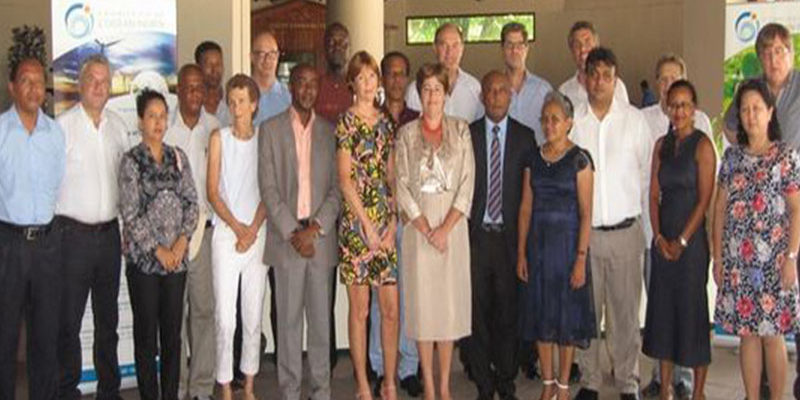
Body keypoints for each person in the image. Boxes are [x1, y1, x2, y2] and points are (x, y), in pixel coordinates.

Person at [570, 47, 652, 400]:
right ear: (585, 78)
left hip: (625, 234)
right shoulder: (574, 121)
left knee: (624, 316)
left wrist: (647, 232)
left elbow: (647, 178)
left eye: (607, 75)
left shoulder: (634, 121)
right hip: (585, 237)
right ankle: (589, 380)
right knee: (587, 314)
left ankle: (627, 381)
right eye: (594, 74)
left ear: (615, 79)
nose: (600, 82)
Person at [713, 78, 800, 400]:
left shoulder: (785, 157)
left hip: (774, 263)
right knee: (747, 334)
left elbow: (796, 210)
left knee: (772, 335)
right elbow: (719, 210)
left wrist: (791, 258)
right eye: (745, 109)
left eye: (757, 108)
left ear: (770, 112)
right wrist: (718, 258)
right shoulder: (732, 158)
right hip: (738, 262)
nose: (751, 115)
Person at [258, 63, 341, 400]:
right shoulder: (270, 130)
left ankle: (321, 392)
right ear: (290, 86)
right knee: (288, 325)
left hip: (319, 239)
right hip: (287, 241)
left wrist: (315, 229)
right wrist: (295, 232)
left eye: (312, 84)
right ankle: (290, 392)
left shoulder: (330, 132)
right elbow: (268, 189)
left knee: (321, 325)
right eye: (301, 83)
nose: (307, 89)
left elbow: (337, 189)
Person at [395, 63, 476, 400]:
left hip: (452, 231)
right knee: (423, 310)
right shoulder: (405, 134)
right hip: (419, 231)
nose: (431, 96)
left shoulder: (461, 130)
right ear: (418, 93)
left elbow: (467, 183)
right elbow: (400, 185)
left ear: (446, 93)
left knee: (447, 310)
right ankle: (428, 384)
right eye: (426, 89)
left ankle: (444, 386)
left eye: (437, 89)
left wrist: (445, 228)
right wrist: (426, 227)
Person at [639, 53, 715, 400]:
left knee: (693, 314)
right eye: (674, 105)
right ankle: (666, 388)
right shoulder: (661, 145)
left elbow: (704, 199)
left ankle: (697, 391)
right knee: (664, 315)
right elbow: (653, 194)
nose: (679, 111)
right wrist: (659, 237)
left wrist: (681, 241)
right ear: (667, 108)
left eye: (685, 105)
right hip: (663, 240)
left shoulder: (703, 145)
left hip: (691, 243)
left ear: (694, 108)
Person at [55, 54, 128, 400]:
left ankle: (109, 390)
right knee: (68, 321)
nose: (99, 87)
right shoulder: (62, 127)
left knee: (107, 322)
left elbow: (125, 183)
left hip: (109, 236)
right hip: (72, 238)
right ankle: (66, 390)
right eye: (93, 80)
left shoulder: (118, 127)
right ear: (80, 85)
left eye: (104, 81)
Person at [119, 89, 199, 400]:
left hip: (176, 262)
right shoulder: (131, 161)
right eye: (151, 116)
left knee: (172, 338)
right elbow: (131, 213)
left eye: (163, 116)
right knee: (146, 338)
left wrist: (180, 243)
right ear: (140, 121)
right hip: (145, 264)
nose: (158, 122)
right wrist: (159, 250)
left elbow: (192, 203)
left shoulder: (178, 157)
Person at [517, 91, 596, 400]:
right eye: (545, 119)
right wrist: (521, 252)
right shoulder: (533, 159)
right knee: (542, 316)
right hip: (538, 248)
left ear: (569, 123)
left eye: (555, 119)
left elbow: (586, 213)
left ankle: (563, 386)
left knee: (566, 319)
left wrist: (581, 258)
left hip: (567, 250)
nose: (549, 125)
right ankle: (547, 382)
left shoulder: (580, 160)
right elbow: (525, 208)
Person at [335, 51, 400, 400]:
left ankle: (389, 382)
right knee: (359, 311)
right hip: (357, 228)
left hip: (385, 225)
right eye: (360, 77)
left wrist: (392, 221)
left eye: (371, 76)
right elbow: (345, 180)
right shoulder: (346, 122)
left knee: (390, 309)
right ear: (352, 83)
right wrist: (367, 226)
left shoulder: (387, 122)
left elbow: (391, 175)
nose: (367, 83)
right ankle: (362, 383)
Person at [467, 71, 536, 400]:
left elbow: (529, 196)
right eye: (490, 91)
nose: (496, 96)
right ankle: (483, 382)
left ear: (510, 96)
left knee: (509, 312)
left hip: (510, 239)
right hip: (477, 238)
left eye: (501, 91)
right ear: (482, 96)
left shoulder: (525, 137)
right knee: (477, 313)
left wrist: (525, 247)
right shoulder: (468, 135)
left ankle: (506, 381)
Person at [0, 56, 65, 400]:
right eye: (26, 80)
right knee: (5, 334)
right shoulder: (1, 132)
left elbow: (59, 184)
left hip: (47, 246)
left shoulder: (55, 134)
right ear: (12, 87)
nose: (34, 88)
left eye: (39, 81)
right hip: (8, 245)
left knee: (45, 335)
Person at [207, 74, 268, 400]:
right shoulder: (219, 138)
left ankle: (250, 386)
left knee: (253, 315)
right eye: (231, 102)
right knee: (225, 318)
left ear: (254, 104)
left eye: (242, 101)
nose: (236, 107)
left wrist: (253, 229)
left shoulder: (265, 140)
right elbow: (212, 191)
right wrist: (237, 227)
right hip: (226, 236)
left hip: (257, 236)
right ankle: (226, 387)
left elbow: (270, 190)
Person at [369, 51, 424, 399]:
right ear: (381, 77)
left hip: (410, 218)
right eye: (390, 73)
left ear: (408, 78)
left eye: (402, 73)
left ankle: (409, 368)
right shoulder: (370, 117)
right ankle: (379, 366)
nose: (396, 80)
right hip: (378, 221)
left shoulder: (417, 120)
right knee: (381, 299)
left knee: (409, 296)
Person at [166, 64, 220, 400]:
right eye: (189, 87)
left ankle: (201, 387)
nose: (196, 94)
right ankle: (177, 385)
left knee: (203, 311)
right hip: (171, 237)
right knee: (174, 314)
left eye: (200, 88)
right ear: (179, 90)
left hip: (205, 232)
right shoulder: (165, 128)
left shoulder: (214, 128)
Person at [723, 23, 800, 149]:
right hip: (758, 161)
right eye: (766, 54)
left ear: (791, 54)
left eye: (778, 51)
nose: (773, 60)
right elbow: (729, 127)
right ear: (760, 60)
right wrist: (750, 150)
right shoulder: (749, 88)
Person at [405, 23, 484, 123]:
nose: (449, 52)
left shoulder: (475, 88)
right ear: (435, 48)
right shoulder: (416, 90)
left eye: (455, 45)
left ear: (462, 48)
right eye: (444, 45)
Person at [501, 21, 553, 145]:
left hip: (537, 156)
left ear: (526, 49)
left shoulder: (544, 90)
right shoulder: (494, 91)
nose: (514, 50)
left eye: (519, 45)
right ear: (502, 49)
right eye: (509, 45)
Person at [558, 21, 629, 107]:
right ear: (572, 52)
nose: (583, 49)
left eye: (587, 43)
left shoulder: (617, 86)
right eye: (577, 45)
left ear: (597, 46)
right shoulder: (564, 91)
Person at [251, 30, 292, 126]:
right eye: (262, 54)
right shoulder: (240, 96)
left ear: (277, 56)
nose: (267, 59)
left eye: (272, 54)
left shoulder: (289, 98)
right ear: (252, 57)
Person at [316, 22, 353, 123]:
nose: (337, 47)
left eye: (343, 43)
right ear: (324, 48)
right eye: (332, 43)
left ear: (349, 49)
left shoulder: (358, 86)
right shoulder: (315, 85)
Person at [196, 40, 230, 126]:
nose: (214, 70)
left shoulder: (232, 101)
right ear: (198, 67)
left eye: (218, 64)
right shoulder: (192, 102)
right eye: (209, 65)